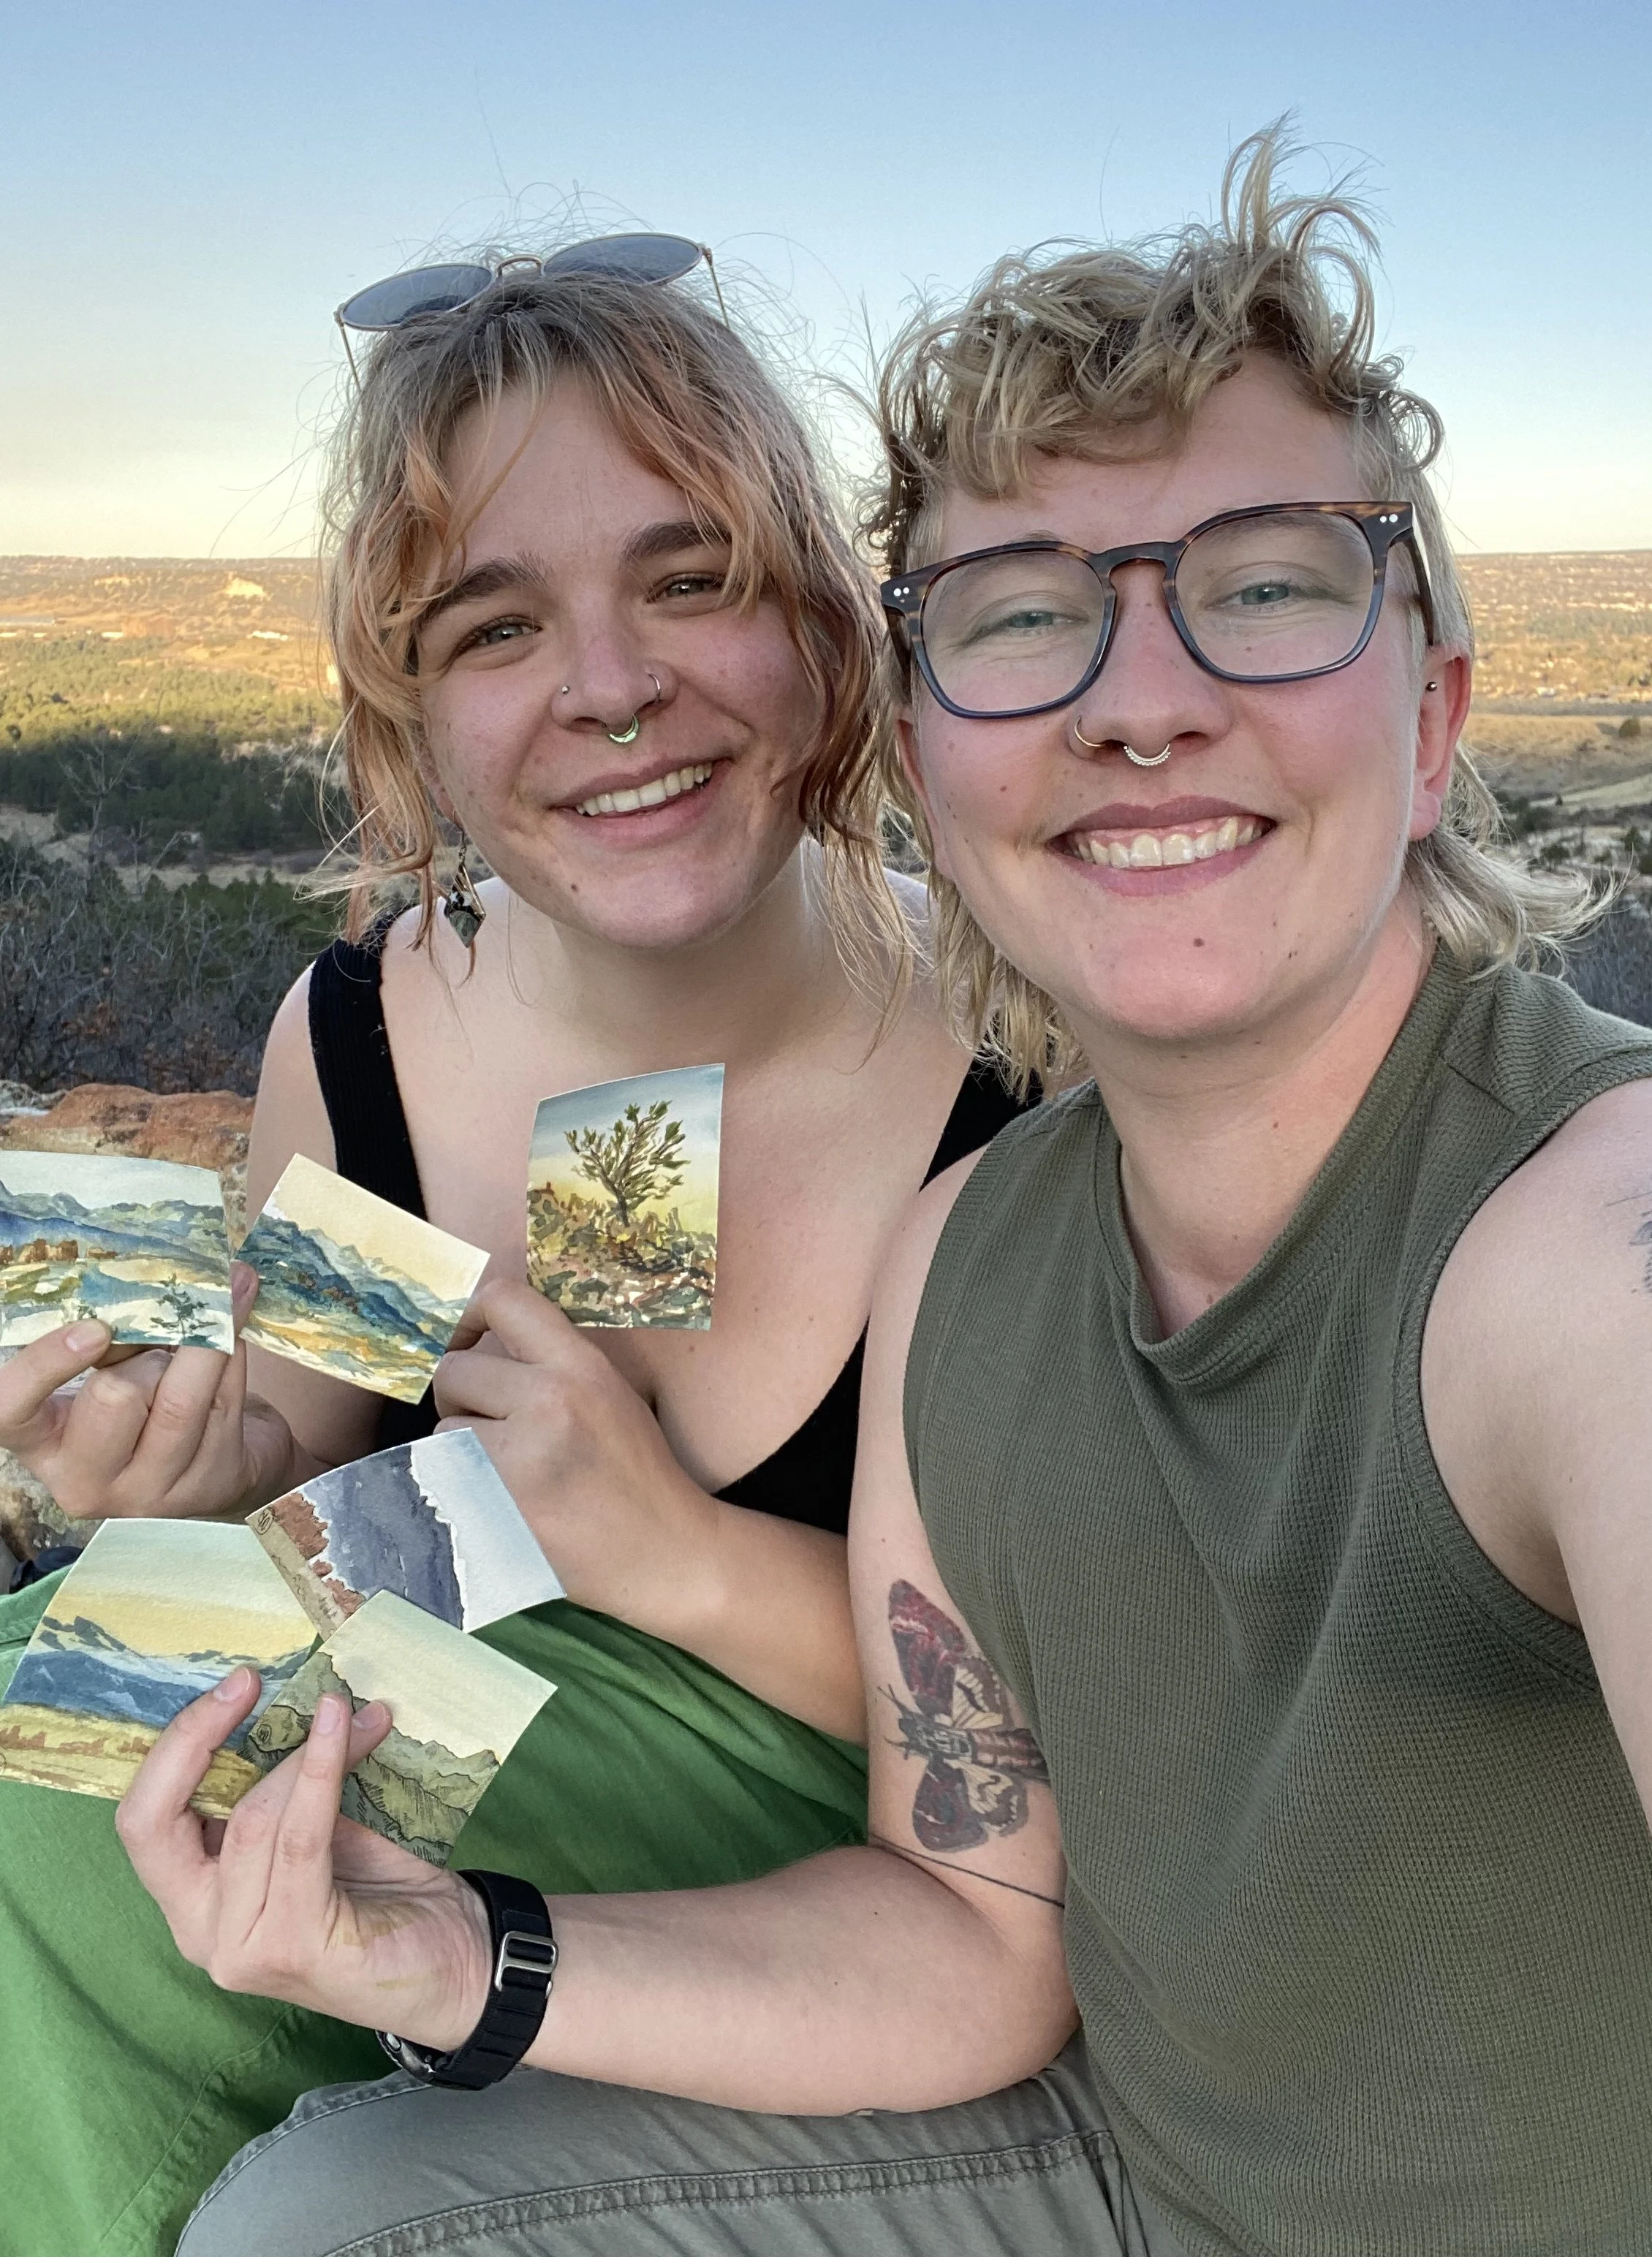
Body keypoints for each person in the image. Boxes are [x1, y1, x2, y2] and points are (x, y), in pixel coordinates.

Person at [128, 134, 1652, 2257]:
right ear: (934, 730)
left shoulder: (1603, 1247)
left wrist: (658, 1550)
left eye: (1260, 584)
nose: (1142, 706)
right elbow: (970, 1921)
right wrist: (438, 1937)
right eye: (1030, 617)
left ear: (1432, 723)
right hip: (1073, 2123)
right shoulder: (977, 1242)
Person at [0, 246, 1029, 2257]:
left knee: (47, 1829)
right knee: (39, 1692)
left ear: (820, 614)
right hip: (449, 1672)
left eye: (687, 575)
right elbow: (311, 1453)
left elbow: (1054, 1737)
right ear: (409, 706)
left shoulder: (1018, 1059)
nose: (608, 685)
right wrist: (167, 1460)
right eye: (494, 621)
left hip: (883, 1863)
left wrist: (662, 1546)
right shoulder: (370, 1025)